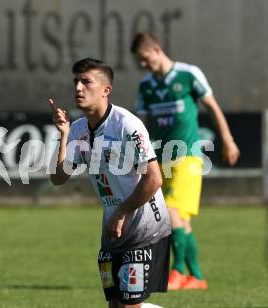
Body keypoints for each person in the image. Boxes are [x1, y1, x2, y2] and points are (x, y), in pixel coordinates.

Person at [49, 58, 171, 308]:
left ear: (106, 90)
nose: (78, 88)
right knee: (115, 305)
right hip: (113, 232)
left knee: (128, 305)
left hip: (144, 227)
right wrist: (62, 136)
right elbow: (59, 177)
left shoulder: (127, 125)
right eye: (76, 82)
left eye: (86, 82)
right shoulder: (79, 129)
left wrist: (121, 213)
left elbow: (154, 178)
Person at [130, 32, 240, 290]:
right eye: (139, 61)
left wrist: (228, 139)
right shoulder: (146, 86)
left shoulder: (188, 74)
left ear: (157, 49)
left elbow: (212, 106)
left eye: (145, 59)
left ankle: (177, 271)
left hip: (187, 156)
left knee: (171, 212)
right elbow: (142, 125)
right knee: (181, 221)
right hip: (160, 158)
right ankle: (197, 277)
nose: (143, 65)